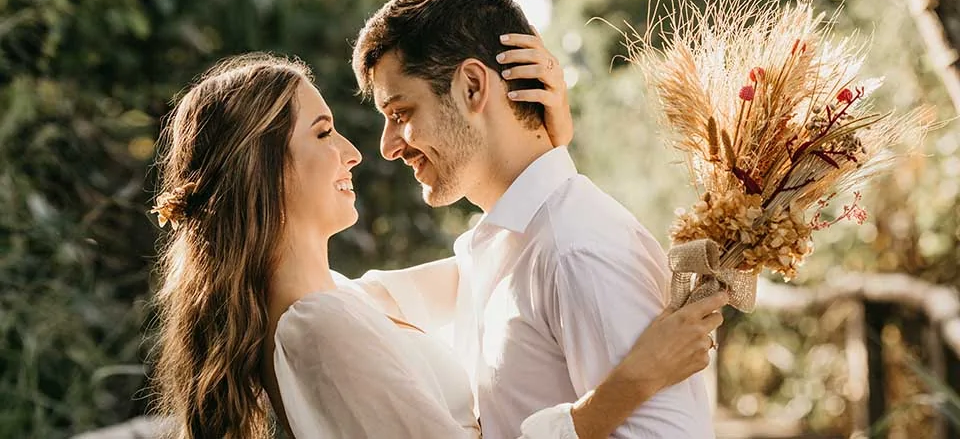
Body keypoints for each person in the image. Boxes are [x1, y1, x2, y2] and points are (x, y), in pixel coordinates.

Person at [149, 51, 726, 438]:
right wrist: (625, 389)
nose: (355, 151)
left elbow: (486, 261)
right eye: (323, 132)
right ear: (263, 168)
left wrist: (539, 148)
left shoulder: (344, 303)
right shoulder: (318, 328)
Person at [352, 0, 717, 438]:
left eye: (401, 113)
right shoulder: (495, 247)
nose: (387, 146)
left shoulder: (578, 251)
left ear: (471, 88)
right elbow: (342, 303)